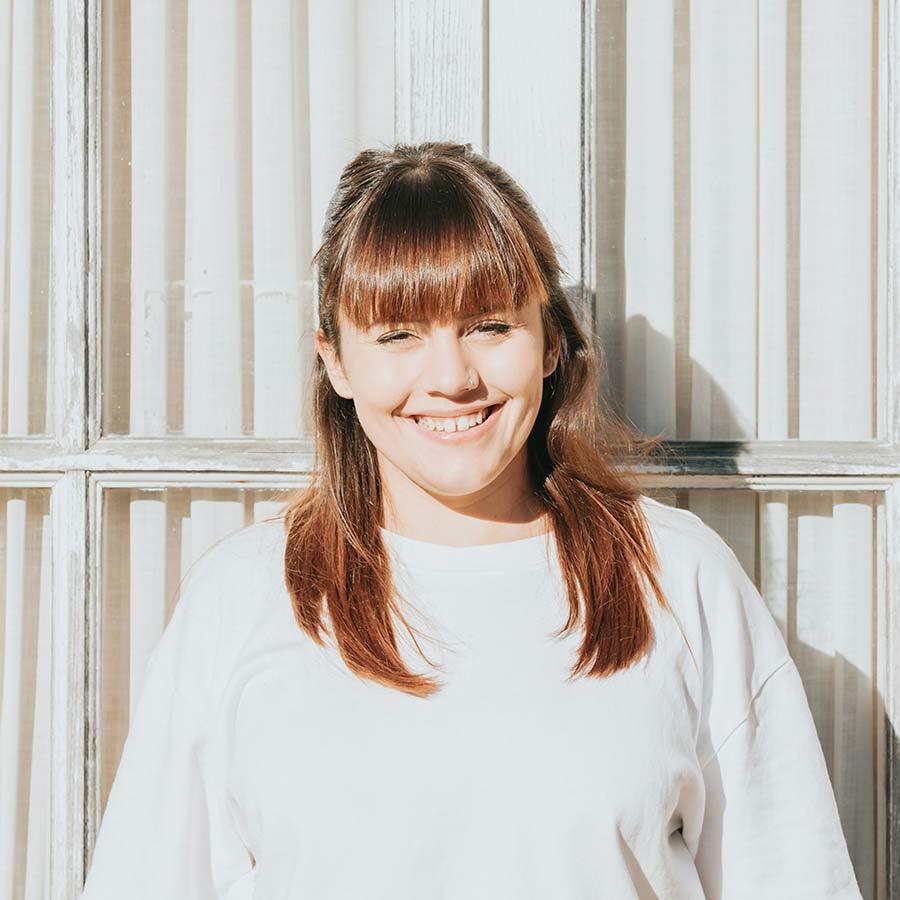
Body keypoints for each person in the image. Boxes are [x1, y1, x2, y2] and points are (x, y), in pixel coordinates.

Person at [80, 141, 862, 899]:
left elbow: (791, 876)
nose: (451, 378)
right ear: (337, 361)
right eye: (399, 335)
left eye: (490, 325)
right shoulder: (244, 597)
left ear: (552, 341)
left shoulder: (676, 575)